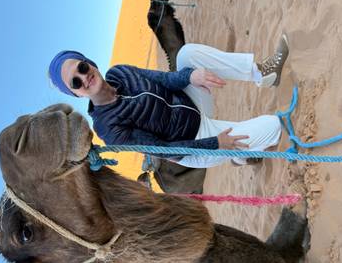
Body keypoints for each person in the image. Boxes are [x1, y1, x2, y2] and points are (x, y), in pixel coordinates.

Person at [48, 35, 289, 168]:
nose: (84, 77)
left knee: (187, 55)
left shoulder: (118, 72)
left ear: (90, 62)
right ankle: (237, 155)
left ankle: (263, 74)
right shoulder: (107, 128)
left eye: (81, 67)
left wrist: (190, 76)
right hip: (195, 143)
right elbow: (167, 151)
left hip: (192, 103)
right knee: (273, 127)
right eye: (75, 83)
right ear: (77, 94)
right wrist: (216, 143)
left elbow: (163, 79)